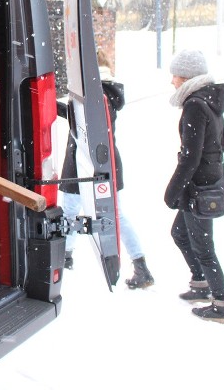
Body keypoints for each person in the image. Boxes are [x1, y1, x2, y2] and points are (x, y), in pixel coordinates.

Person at [59, 49, 154, 289]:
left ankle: (67, 259)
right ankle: (139, 263)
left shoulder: (96, 95)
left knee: (80, 212)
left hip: (88, 162)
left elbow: (85, 124)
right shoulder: (102, 93)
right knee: (111, 213)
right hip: (100, 161)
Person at [164, 49, 224, 322]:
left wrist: (172, 191)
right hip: (206, 182)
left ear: (188, 76)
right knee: (180, 234)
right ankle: (201, 283)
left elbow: (190, 157)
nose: (172, 81)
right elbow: (222, 143)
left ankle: (222, 304)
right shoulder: (210, 101)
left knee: (204, 247)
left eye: (176, 75)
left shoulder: (196, 105)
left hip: (199, 186)